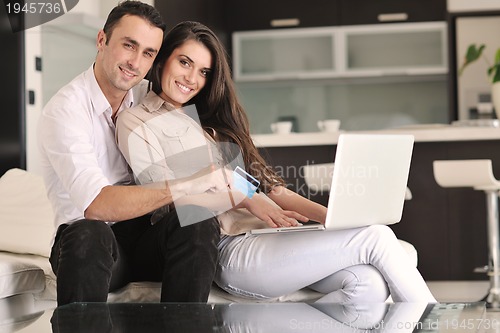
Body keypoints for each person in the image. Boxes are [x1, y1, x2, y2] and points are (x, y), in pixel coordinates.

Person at [116, 21, 437, 303]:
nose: (192, 78)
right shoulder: (137, 121)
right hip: (233, 248)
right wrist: (244, 198)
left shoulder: (205, 127)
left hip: (269, 239)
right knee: (376, 238)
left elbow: (267, 191)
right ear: (163, 60)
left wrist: (336, 218)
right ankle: (437, 325)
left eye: (203, 72)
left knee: (367, 284)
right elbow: (168, 202)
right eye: (184, 62)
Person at [37, 2, 227, 306]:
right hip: (88, 243)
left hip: (145, 238)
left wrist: (258, 194)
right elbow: (97, 204)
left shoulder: (146, 98)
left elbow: (208, 157)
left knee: (197, 219)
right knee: (90, 233)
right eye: (129, 45)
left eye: (148, 53)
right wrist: (186, 186)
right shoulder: (66, 111)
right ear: (102, 40)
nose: (136, 63)